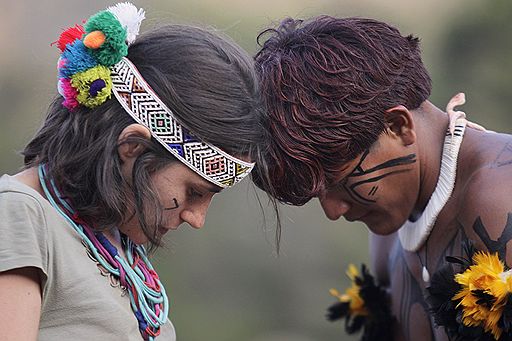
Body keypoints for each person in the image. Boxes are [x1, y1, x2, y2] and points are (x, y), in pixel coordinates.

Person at [0, 3, 260, 340]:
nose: (197, 219)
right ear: (133, 147)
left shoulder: (117, 249)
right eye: (193, 192)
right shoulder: (19, 215)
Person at [253, 16, 512, 340]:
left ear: (398, 126)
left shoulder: (499, 198)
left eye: (339, 180)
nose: (333, 211)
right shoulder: (388, 237)